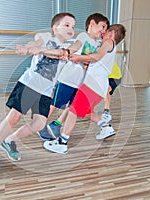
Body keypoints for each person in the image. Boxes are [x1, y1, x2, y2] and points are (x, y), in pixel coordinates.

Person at [0, 12, 76, 176]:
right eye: (66, 25)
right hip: (30, 84)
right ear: (55, 27)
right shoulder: (44, 36)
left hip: (46, 91)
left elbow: (59, 53)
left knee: (39, 124)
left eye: (73, 27)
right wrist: (28, 48)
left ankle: (10, 141)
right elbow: (34, 42)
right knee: (14, 117)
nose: (71, 29)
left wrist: (39, 50)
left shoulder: (71, 46)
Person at [43, 24, 126, 154]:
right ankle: (105, 127)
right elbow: (96, 61)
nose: (102, 32)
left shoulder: (109, 42)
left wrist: (79, 58)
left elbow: (96, 57)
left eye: (105, 30)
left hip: (93, 85)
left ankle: (62, 142)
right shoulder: (107, 47)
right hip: (97, 86)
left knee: (73, 110)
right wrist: (82, 62)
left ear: (111, 33)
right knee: (84, 111)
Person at [37, 13, 109, 141]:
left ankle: (56, 126)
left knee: (72, 107)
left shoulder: (98, 44)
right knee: (55, 104)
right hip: (68, 80)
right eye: (102, 26)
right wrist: (68, 51)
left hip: (81, 82)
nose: (103, 31)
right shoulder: (84, 36)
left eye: (106, 28)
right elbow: (76, 46)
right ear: (92, 24)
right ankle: (40, 125)